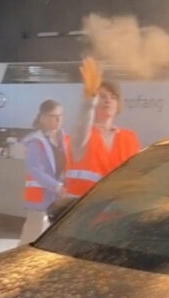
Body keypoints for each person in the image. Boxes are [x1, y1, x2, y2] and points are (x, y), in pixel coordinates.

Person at [65, 56, 140, 197]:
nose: (108, 101)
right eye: (103, 96)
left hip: (115, 210)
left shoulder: (129, 138)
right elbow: (82, 126)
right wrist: (89, 101)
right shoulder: (82, 135)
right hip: (81, 210)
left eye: (113, 97)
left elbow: (134, 176)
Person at [19, 99, 72, 245]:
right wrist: (57, 187)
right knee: (31, 239)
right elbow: (36, 170)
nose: (58, 119)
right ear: (42, 117)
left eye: (60, 115)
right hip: (40, 199)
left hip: (59, 199)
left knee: (52, 240)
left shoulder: (66, 140)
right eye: (53, 115)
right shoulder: (35, 141)